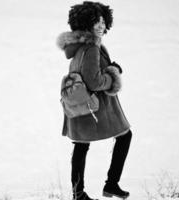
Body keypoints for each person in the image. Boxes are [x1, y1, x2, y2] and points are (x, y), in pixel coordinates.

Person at [56, 1, 133, 200]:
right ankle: (110, 185)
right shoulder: (91, 48)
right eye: (95, 21)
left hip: (79, 106)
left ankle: (79, 193)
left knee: (81, 146)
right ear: (85, 23)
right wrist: (113, 74)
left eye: (102, 21)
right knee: (124, 136)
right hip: (92, 107)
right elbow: (95, 81)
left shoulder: (78, 47)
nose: (100, 25)